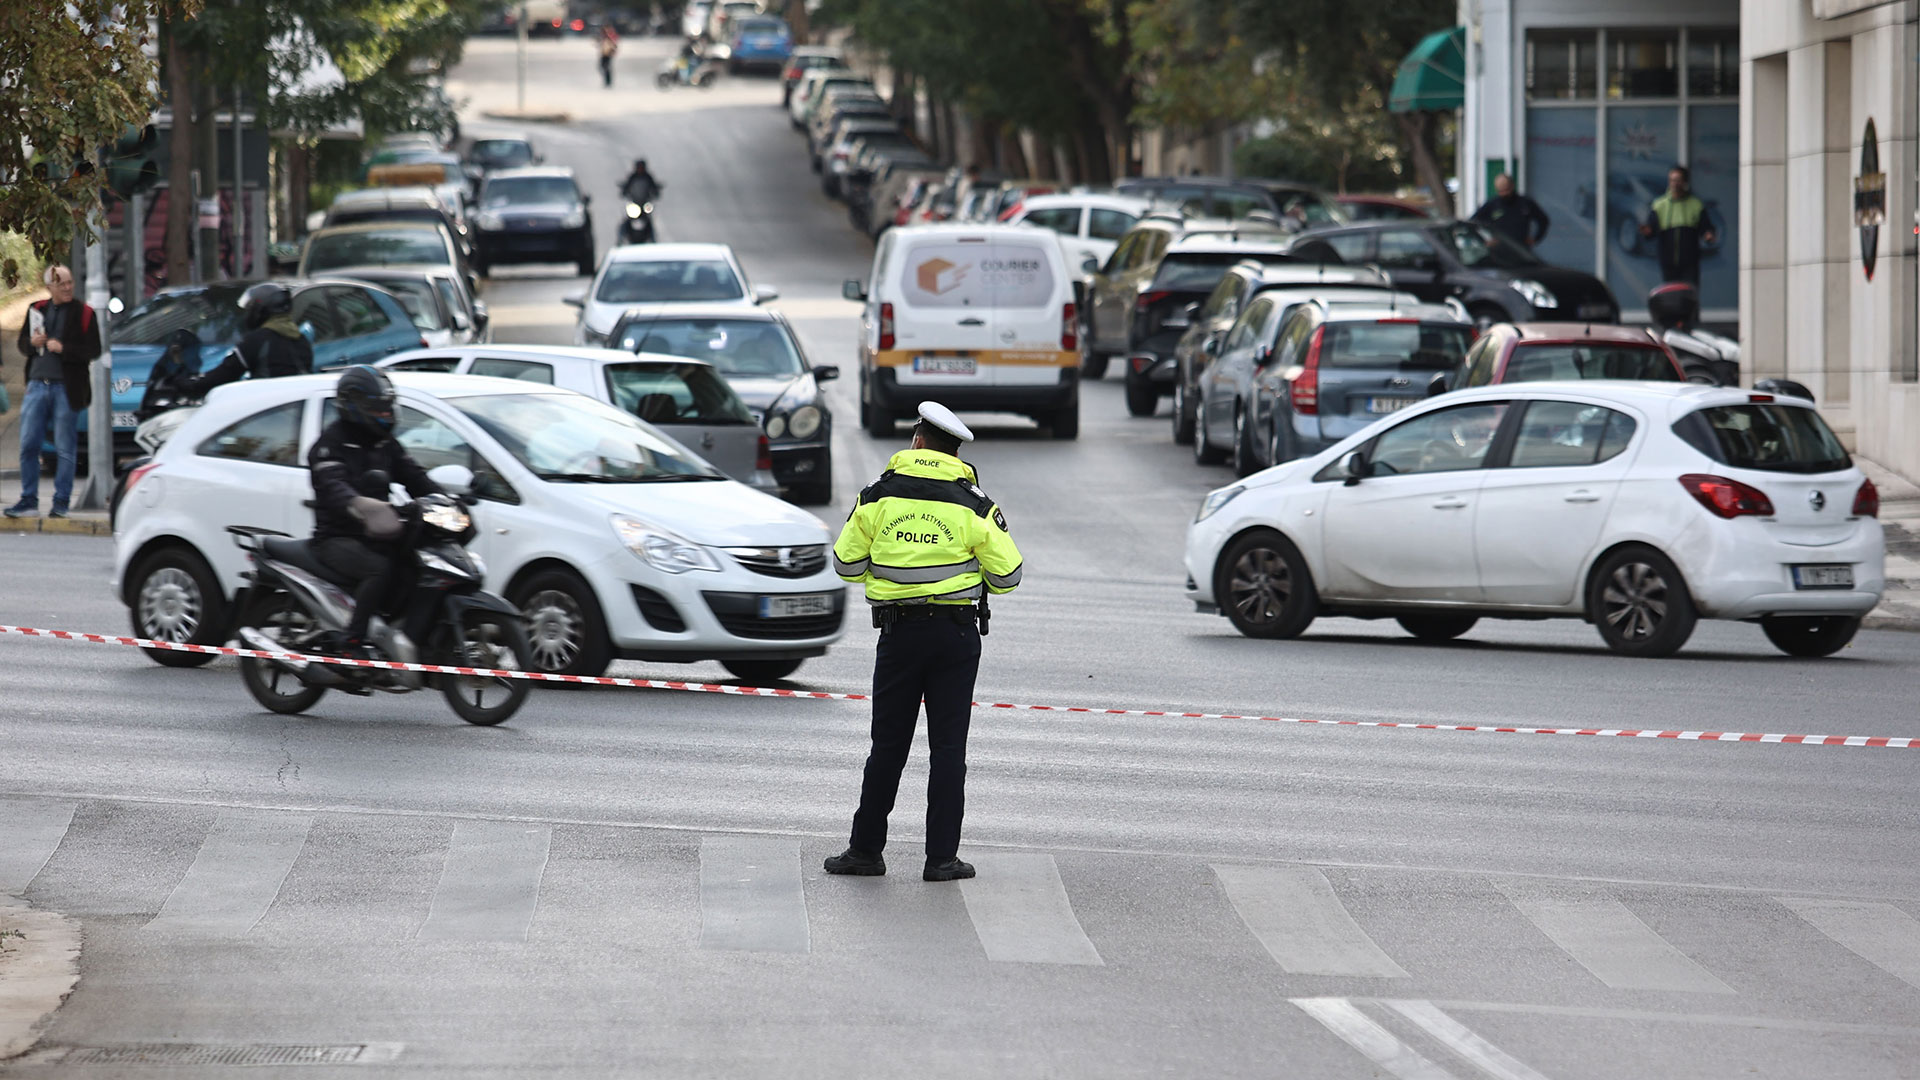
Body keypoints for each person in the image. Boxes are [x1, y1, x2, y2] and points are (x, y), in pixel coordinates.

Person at [824, 403, 1024, 883]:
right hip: (955, 637)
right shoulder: (975, 504)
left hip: (899, 634)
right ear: (955, 453)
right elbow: (1009, 575)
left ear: (916, 442)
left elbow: (846, 566)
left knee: (887, 746)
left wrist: (891, 571)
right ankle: (941, 860)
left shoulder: (877, 497)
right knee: (949, 750)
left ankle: (865, 852)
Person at [308, 366, 441, 656]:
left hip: (379, 532)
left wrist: (445, 498)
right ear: (355, 406)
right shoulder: (330, 446)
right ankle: (352, 643)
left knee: (418, 562)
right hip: (338, 536)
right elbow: (335, 487)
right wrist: (360, 506)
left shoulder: (384, 444)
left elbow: (415, 476)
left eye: (388, 408)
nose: (386, 415)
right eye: (378, 409)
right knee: (377, 568)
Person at [7, 266, 102, 519]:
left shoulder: (84, 313)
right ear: (49, 287)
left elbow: (93, 350)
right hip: (37, 384)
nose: (68, 287)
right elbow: (22, 345)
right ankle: (28, 499)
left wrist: (64, 349)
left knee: (65, 448)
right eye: (62, 284)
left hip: (66, 388)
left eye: (70, 282)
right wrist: (32, 343)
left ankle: (61, 501)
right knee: (29, 444)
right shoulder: (37, 310)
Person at [177, 282, 313, 397]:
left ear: (261, 310)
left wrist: (188, 384)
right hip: (291, 407)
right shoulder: (301, 339)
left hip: (265, 410)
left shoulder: (257, 340)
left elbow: (226, 373)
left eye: (251, 309)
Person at [1642, 164, 1715, 285]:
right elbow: (1652, 229)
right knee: (1671, 298)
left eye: (1678, 180)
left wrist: (1708, 235)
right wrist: (1647, 232)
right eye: (1672, 180)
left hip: (1690, 263)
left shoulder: (1695, 204)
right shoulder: (1659, 205)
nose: (1674, 184)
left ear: (1685, 182)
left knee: (1690, 296)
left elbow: (1705, 227)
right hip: (1668, 262)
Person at [1470, 173, 1550, 249]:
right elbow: (1471, 223)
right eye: (1501, 191)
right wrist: (1484, 241)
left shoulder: (1525, 203)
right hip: (1499, 252)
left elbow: (1543, 220)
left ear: (1512, 186)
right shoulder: (1492, 204)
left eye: (1506, 190)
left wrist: (1535, 238)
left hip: (1521, 251)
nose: (1504, 194)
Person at [598, 24, 619, 88]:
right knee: (602, 67)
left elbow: (614, 45)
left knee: (606, 67)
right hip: (603, 54)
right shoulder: (604, 36)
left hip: (608, 54)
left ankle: (608, 82)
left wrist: (613, 51)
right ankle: (607, 81)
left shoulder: (610, 36)